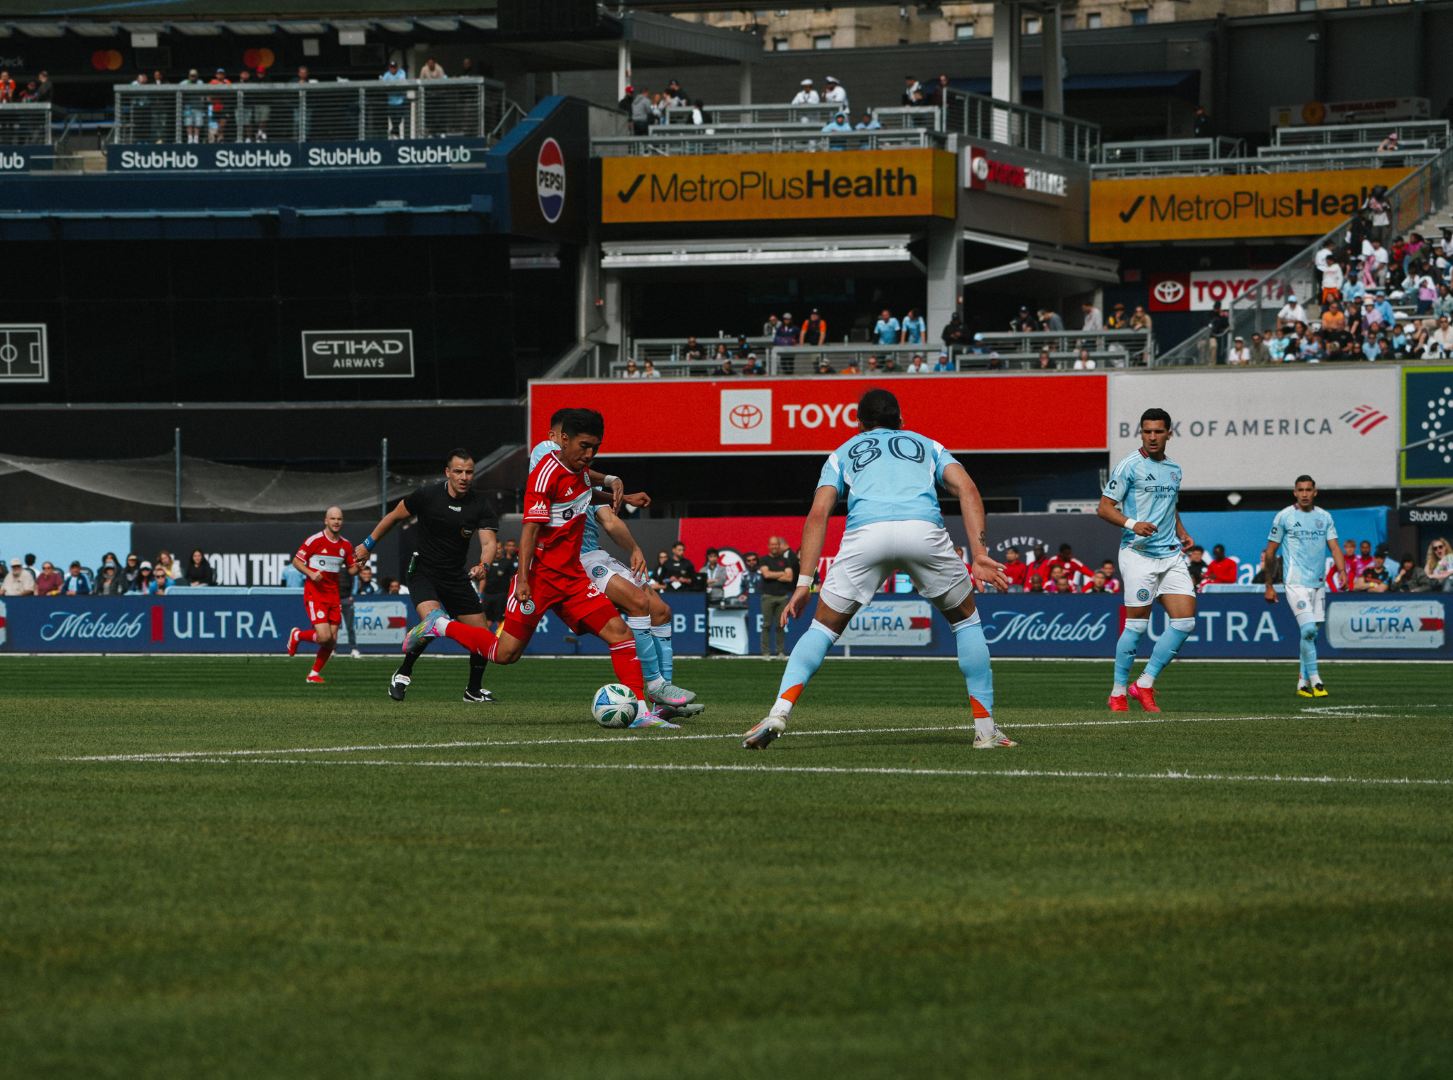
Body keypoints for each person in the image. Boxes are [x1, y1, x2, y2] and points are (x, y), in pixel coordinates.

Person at [742, 388, 1013, 751]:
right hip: (922, 531)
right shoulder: (928, 444)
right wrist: (979, 552)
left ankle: (778, 711)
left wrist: (804, 583)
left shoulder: (841, 453)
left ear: (859, 424)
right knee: (966, 622)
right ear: (902, 420)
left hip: (866, 535)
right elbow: (967, 487)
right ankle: (986, 730)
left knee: (822, 628)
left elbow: (818, 514)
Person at [404, 410, 677, 730]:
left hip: (573, 578)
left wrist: (619, 486)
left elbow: (589, 488)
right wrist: (522, 580)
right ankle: (440, 625)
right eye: (584, 446)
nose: (589, 454)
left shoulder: (580, 470)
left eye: (595, 447)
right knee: (505, 654)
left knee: (619, 632)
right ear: (562, 440)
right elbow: (529, 531)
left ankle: (640, 711)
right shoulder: (545, 474)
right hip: (537, 580)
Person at [527, 421, 698, 716]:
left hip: (597, 555)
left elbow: (609, 520)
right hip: (574, 559)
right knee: (638, 602)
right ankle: (654, 687)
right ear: (558, 436)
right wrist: (609, 479)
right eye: (578, 442)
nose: (585, 452)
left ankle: (663, 701)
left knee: (661, 611)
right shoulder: (546, 453)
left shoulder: (580, 483)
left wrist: (633, 547)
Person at [355, 447, 502, 704]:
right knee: (433, 622)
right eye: (458, 471)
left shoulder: (480, 504)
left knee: (484, 636)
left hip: (456, 577)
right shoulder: (427, 495)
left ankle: (473, 690)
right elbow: (393, 516)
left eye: (469, 472)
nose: (464, 477)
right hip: (423, 572)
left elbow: (489, 544)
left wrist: (483, 566)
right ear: (448, 472)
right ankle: (403, 673)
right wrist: (368, 544)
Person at [1098, 408, 1196, 713]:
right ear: (1142, 433)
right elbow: (1104, 507)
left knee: (1184, 622)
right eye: (1147, 432)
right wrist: (1132, 524)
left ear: (1169, 433)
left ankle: (1144, 684)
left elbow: (1169, 506)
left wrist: (1181, 530)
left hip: (1170, 554)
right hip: (1138, 554)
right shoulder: (1129, 466)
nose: (1152, 437)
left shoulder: (1174, 468)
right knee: (1137, 627)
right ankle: (1117, 693)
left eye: (1158, 431)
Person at [1263, 476, 1347, 697]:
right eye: (1300, 490)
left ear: (1315, 492)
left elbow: (1335, 547)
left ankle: (1302, 683)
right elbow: (1270, 553)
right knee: (1308, 630)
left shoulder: (1324, 517)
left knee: (1310, 634)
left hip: (1318, 584)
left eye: (1308, 489)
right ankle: (1317, 680)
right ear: (1294, 492)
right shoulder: (1284, 516)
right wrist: (1269, 584)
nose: (1305, 494)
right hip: (1295, 582)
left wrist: (1342, 571)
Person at [286, 506, 359, 684]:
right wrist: (311, 573)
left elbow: (352, 570)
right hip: (315, 594)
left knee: (331, 641)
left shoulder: (346, 545)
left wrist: (360, 564)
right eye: (333, 519)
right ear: (326, 521)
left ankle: (313, 674)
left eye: (339, 519)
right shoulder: (315, 541)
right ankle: (297, 635)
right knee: (324, 637)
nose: (336, 522)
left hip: (334, 596)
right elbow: (296, 561)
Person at [757, 535, 798, 658]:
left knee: (781, 625)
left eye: (776, 544)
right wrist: (781, 573)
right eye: (772, 544)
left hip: (782, 597)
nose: (774, 546)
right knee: (766, 625)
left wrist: (773, 574)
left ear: (779, 546)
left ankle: (780, 652)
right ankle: (765, 652)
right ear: (768, 546)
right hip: (768, 596)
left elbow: (790, 577)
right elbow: (766, 575)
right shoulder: (763, 559)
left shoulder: (785, 560)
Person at [480, 539, 517, 628]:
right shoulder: (487, 563)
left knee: (500, 621)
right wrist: (480, 594)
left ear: (502, 549)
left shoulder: (507, 562)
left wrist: (511, 595)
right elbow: (483, 578)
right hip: (488, 596)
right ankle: (486, 641)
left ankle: (500, 641)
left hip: (501, 596)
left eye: (499, 548)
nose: (497, 550)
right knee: (487, 621)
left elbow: (512, 579)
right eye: (495, 548)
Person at [381, 59, 408, 139]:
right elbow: (384, 84)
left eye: (394, 67)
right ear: (389, 68)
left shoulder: (401, 72)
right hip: (391, 102)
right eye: (391, 67)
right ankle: (396, 134)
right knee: (393, 119)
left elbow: (401, 81)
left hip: (400, 101)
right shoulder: (387, 74)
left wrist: (392, 85)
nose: (393, 69)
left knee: (399, 119)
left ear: (397, 68)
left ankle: (394, 132)